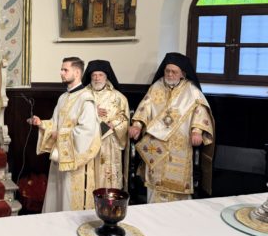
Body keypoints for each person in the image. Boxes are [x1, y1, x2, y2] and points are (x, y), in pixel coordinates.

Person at [128, 52, 215, 203]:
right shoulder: (156, 87)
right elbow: (145, 107)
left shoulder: (191, 90)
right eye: (167, 71)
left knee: (177, 182)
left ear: (182, 74)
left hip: (181, 144)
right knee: (155, 182)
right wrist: (137, 125)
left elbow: (200, 111)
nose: (169, 74)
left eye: (174, 72)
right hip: (156, 144)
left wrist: (197, 131)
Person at [27, 57, 101, 212]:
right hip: (60, 157)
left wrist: (60, 135)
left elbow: (87, 131)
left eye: (65, 70)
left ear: (77, 72)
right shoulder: (63, 98)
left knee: (68, 197)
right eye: (61, 69)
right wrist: (41, 124)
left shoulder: (86, 99)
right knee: (57, 195)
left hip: (74, 162)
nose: (61, 73)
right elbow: (55, 123)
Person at [82, 60, 129, 189]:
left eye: (100, 75)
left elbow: (124, 117)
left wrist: (113, 124)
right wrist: (91, 111)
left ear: (106, 76)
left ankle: (109, 198)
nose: (97, 78)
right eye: (94, 75)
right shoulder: (82, 95)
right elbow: (73, 114)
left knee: (107, 176)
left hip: (108, 142)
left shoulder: (118, 97)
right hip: (87, 140)